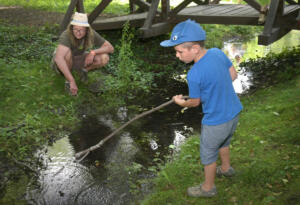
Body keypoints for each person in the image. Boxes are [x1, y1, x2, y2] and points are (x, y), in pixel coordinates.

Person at [160, 19, 243, 197]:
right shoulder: (216, 53)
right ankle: (226, 168)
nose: (177, 55)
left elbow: (195, 102)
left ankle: (208, 188)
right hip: (234, 112)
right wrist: (215, 88)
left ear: (195, 49)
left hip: (216, 121)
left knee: (208, 153)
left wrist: (181, 102)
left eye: (179, 51)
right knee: (224, 141)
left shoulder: (194, 74)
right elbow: (233, 75)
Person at [51, 12, 114, 96]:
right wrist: (72, 81)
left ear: (87, 29)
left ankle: (82, 71)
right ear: (71, 27)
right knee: (67, 53)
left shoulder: (91, 33)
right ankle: (68, 82)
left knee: (104, 57)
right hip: (61, 64)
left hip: (77, 59)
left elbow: (110, 48)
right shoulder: (66, 35)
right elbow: (59, 58)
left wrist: (93, 52)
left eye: (82, 30)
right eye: (75, 29)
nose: (78, 32)